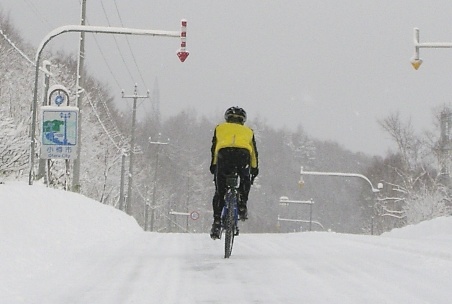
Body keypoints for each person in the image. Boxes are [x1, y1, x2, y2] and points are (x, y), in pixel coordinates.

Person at [209, 106, 259, 239]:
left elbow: (214, 148)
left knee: (219, 191)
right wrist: (254, 169)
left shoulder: (219, 128)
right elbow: (254, 153)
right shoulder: (249, 131)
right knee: (244, 179)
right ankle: (242, 204)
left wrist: (214, 165)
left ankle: (217, 221)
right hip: (243, 155)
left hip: (224, 155)